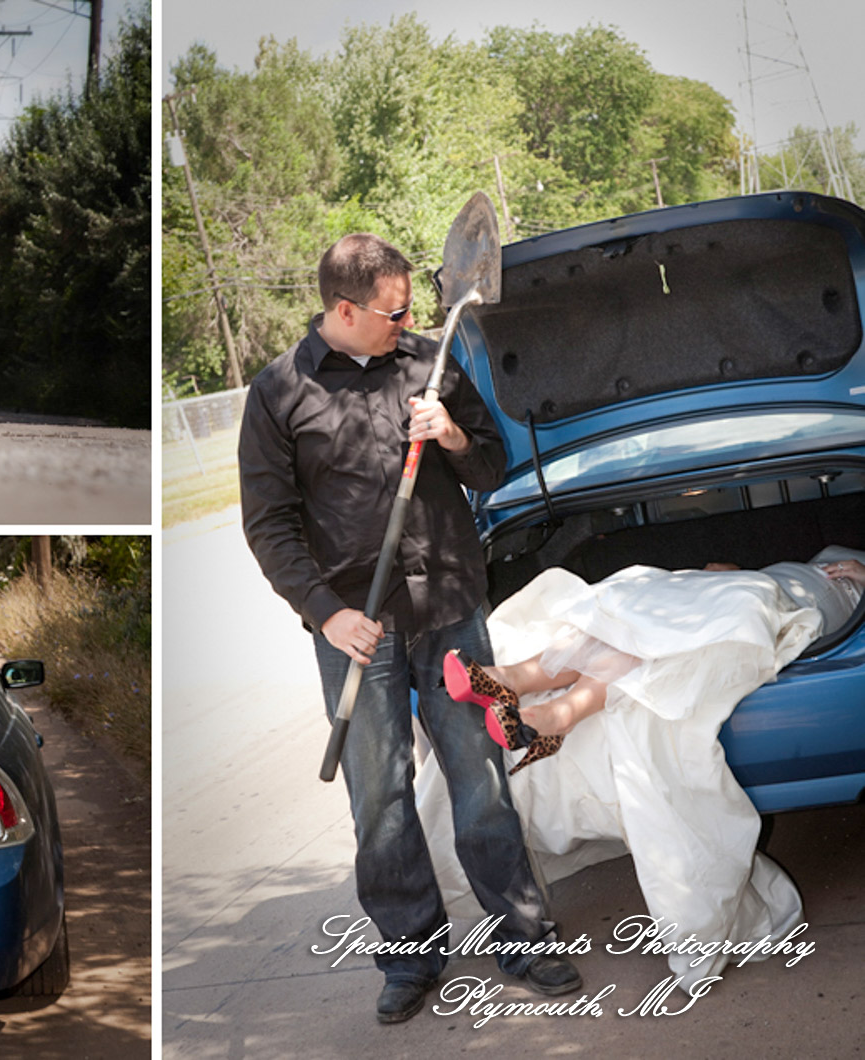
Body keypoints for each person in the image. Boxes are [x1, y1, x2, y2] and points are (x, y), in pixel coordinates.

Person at [238, 231, 582, 1024]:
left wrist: (452, 434)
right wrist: (327, 613)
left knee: (483, 781)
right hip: (361, 630)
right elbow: (270, 525)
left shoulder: (431, 364)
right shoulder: (279, 392)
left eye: (407, 311)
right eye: (391, 315)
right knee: (381, 802)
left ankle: (524, 936)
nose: (405, 323)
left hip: (453, 608)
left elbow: (493, 467)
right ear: (344, 309)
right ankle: (411, 956)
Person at [422, 545, 865, 993]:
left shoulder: (851, 565)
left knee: (696, 618)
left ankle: (530, 691)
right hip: (751, 578)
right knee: (637, 613)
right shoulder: (816, 552)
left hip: (813, 600)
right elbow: (723, 571)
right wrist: (718, 572)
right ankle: (532, 692)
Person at [444, 548, 865, 770]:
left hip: (812, 605)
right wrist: (734, 571)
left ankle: (541, 698)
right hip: (764, 581)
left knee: (670, 631)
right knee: (634, 604)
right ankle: (524, 685)